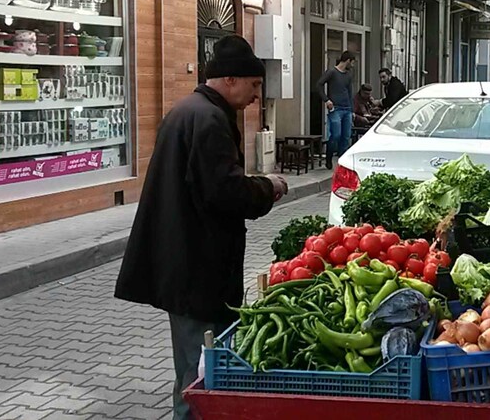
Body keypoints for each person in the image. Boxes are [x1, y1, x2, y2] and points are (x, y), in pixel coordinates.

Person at [114, 35, 288, 420]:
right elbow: (223, 192)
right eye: (254, 85)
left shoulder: (188, 111)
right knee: (198, 374)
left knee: (198, 365)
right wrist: (268, 188)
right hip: (195, 265)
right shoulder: (208, 119)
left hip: (187, 259)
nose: (258, 95)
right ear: (229, 80)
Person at [316, 51, 356, 168]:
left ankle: (342, 162)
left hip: (347, 108)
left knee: (346, 136)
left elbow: (349, 92)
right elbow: (319, 84)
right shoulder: (332, 72)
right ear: (348, 60)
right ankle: (329, 157)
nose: (352, 66)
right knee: (336, 135)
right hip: (336, 108)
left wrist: (352, 110)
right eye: (352, 62)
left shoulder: (348, 75)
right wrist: (326, 100)